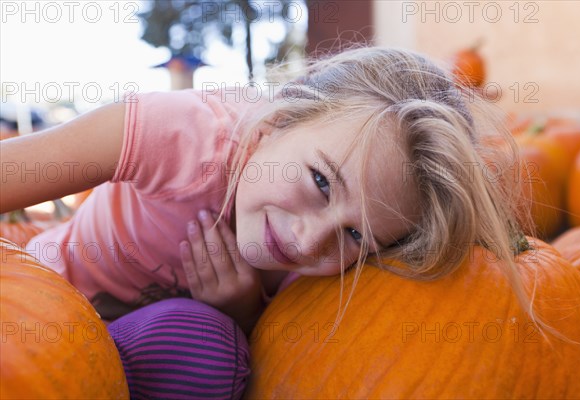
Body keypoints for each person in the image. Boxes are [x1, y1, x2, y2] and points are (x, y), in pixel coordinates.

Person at [0, 45, 543, 398]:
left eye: (355, 234)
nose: (310, 239)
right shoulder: (182, 135)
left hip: (139, 343)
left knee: (211, 346)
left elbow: (295, 364)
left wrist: (241, 311)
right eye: (322, 182)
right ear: (275, 124)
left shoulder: (338, 266)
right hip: (45, 303)